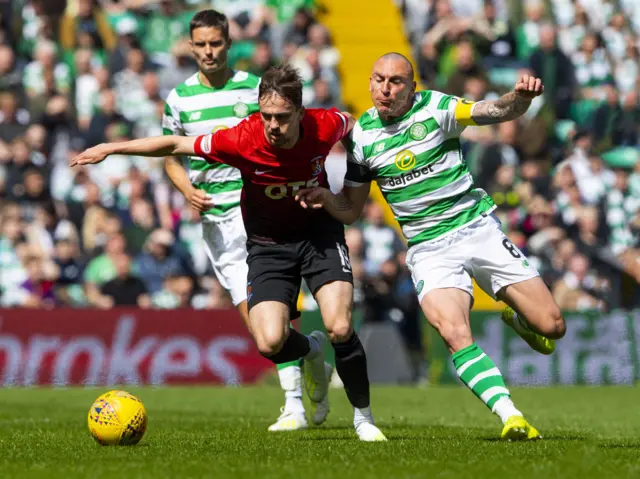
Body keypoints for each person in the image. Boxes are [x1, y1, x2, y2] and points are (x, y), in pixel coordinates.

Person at [70, 63, 386, 442]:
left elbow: (356, 129)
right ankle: (312, 351)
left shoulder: (326, 124)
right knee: (270, 341)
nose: (273, 125)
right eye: (266, 116)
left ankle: (364, 419)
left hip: (319, 233)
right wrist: (111, 148)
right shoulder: (241, 138)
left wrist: (349, 187)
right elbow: (175, 144)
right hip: (269, 246)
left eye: (282, 118)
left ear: (301, 113)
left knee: (340, 325)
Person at [296, 52, 567, 441]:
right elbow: (352, 210)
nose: (385, 89)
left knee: (552, 326)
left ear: (412, 88)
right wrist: (325, 197)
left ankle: (522, 321)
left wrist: (520, 99)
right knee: (455, 332)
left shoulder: (437, 107)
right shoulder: (359, 140)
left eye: (395, 81)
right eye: (378, 79)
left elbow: (493, 111)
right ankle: (511, 415)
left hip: (477, 228)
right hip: (428, 248)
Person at [161, 9, 316, 432]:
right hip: (216, 221)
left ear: (229, 43)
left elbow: (286, 138)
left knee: (273, 315)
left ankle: (294, 407)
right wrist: (185, 189)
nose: (209, 52)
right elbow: (171, 155)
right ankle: (313, 352)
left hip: (259, 212)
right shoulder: (179, 99)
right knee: (262, 328)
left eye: (216, 43)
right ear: (190, 47)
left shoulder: (254, 90)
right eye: (201, 45)